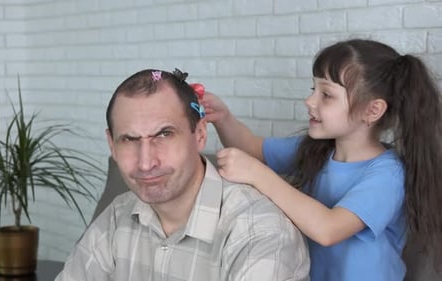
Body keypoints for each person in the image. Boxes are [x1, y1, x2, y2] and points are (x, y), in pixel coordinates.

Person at [203, 39, 442, 281]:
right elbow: (253, 148)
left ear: (372, 110)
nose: (310, 101)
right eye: (313, 90)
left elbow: (328, 229)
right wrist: (223, 118)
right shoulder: (316, 150)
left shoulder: (388, 175)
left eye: (326, 94)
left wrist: (258, 175)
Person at [55, 69, 310, 281]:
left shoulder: (260, 232)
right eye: (129, 139)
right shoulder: (117, 216)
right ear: (112, 144)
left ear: (199, 134)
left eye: (164, 134)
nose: (146, 163)